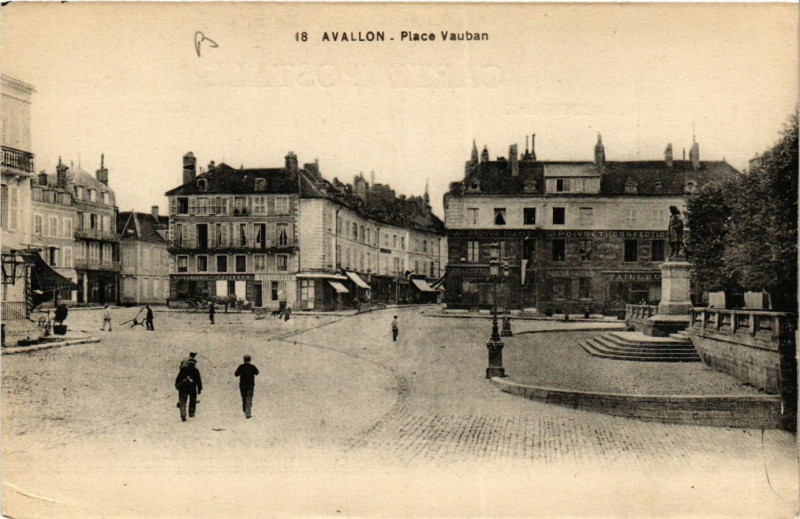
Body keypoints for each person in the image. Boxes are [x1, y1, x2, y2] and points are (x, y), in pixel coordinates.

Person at [234, 355, 259, 419]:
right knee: (249, 398)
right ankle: (248, 412)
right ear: (250, 360)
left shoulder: (241, 367)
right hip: (250, 385)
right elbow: (257, 373)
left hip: (242, 385)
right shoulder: (252, 367)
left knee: (244, 397)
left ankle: (245, 409)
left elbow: (236, 374)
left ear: (244, 360)